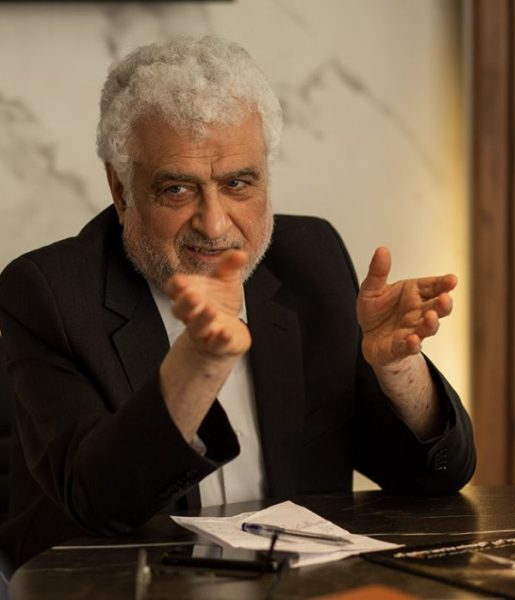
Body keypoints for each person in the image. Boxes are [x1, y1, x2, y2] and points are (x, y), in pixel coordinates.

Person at [0, 36, 475, 571]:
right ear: (121, 189)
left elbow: (435, 477)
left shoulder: (311, 260)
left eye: (237, 183)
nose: (214, 224)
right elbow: (100, 502)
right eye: (177, 190)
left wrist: (398, 369)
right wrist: (198, 365)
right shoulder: (49, 293)